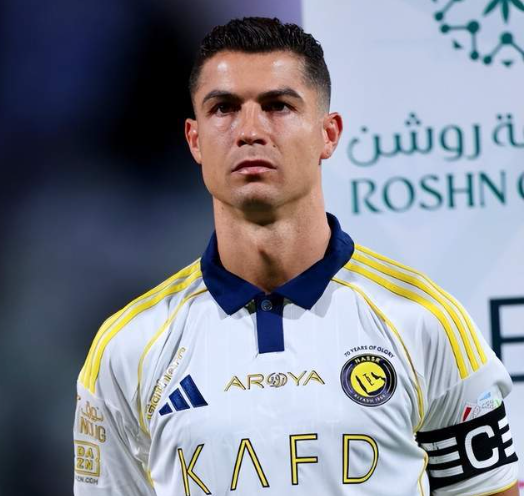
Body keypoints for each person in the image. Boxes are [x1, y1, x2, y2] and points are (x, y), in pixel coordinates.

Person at [73, 17, 519, 496]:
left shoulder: (424, 321)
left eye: (278, 106)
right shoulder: (128, 347)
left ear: (329, 134)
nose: (249, 131)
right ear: (194, 139)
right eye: (223, 108)